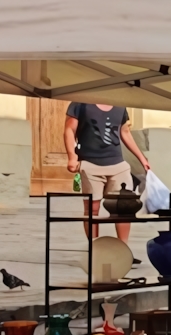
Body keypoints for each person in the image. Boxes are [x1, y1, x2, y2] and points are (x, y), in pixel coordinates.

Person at [64, 102, 154, 244]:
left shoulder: (120, 105)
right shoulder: (80, 102)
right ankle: (95, 249)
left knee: (124, 207)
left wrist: (142, 158)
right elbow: (69, 129)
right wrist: (72, 156)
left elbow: (124, 132)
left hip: (118, 164)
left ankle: (123, 249)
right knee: (92, 209)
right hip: (90, 163)